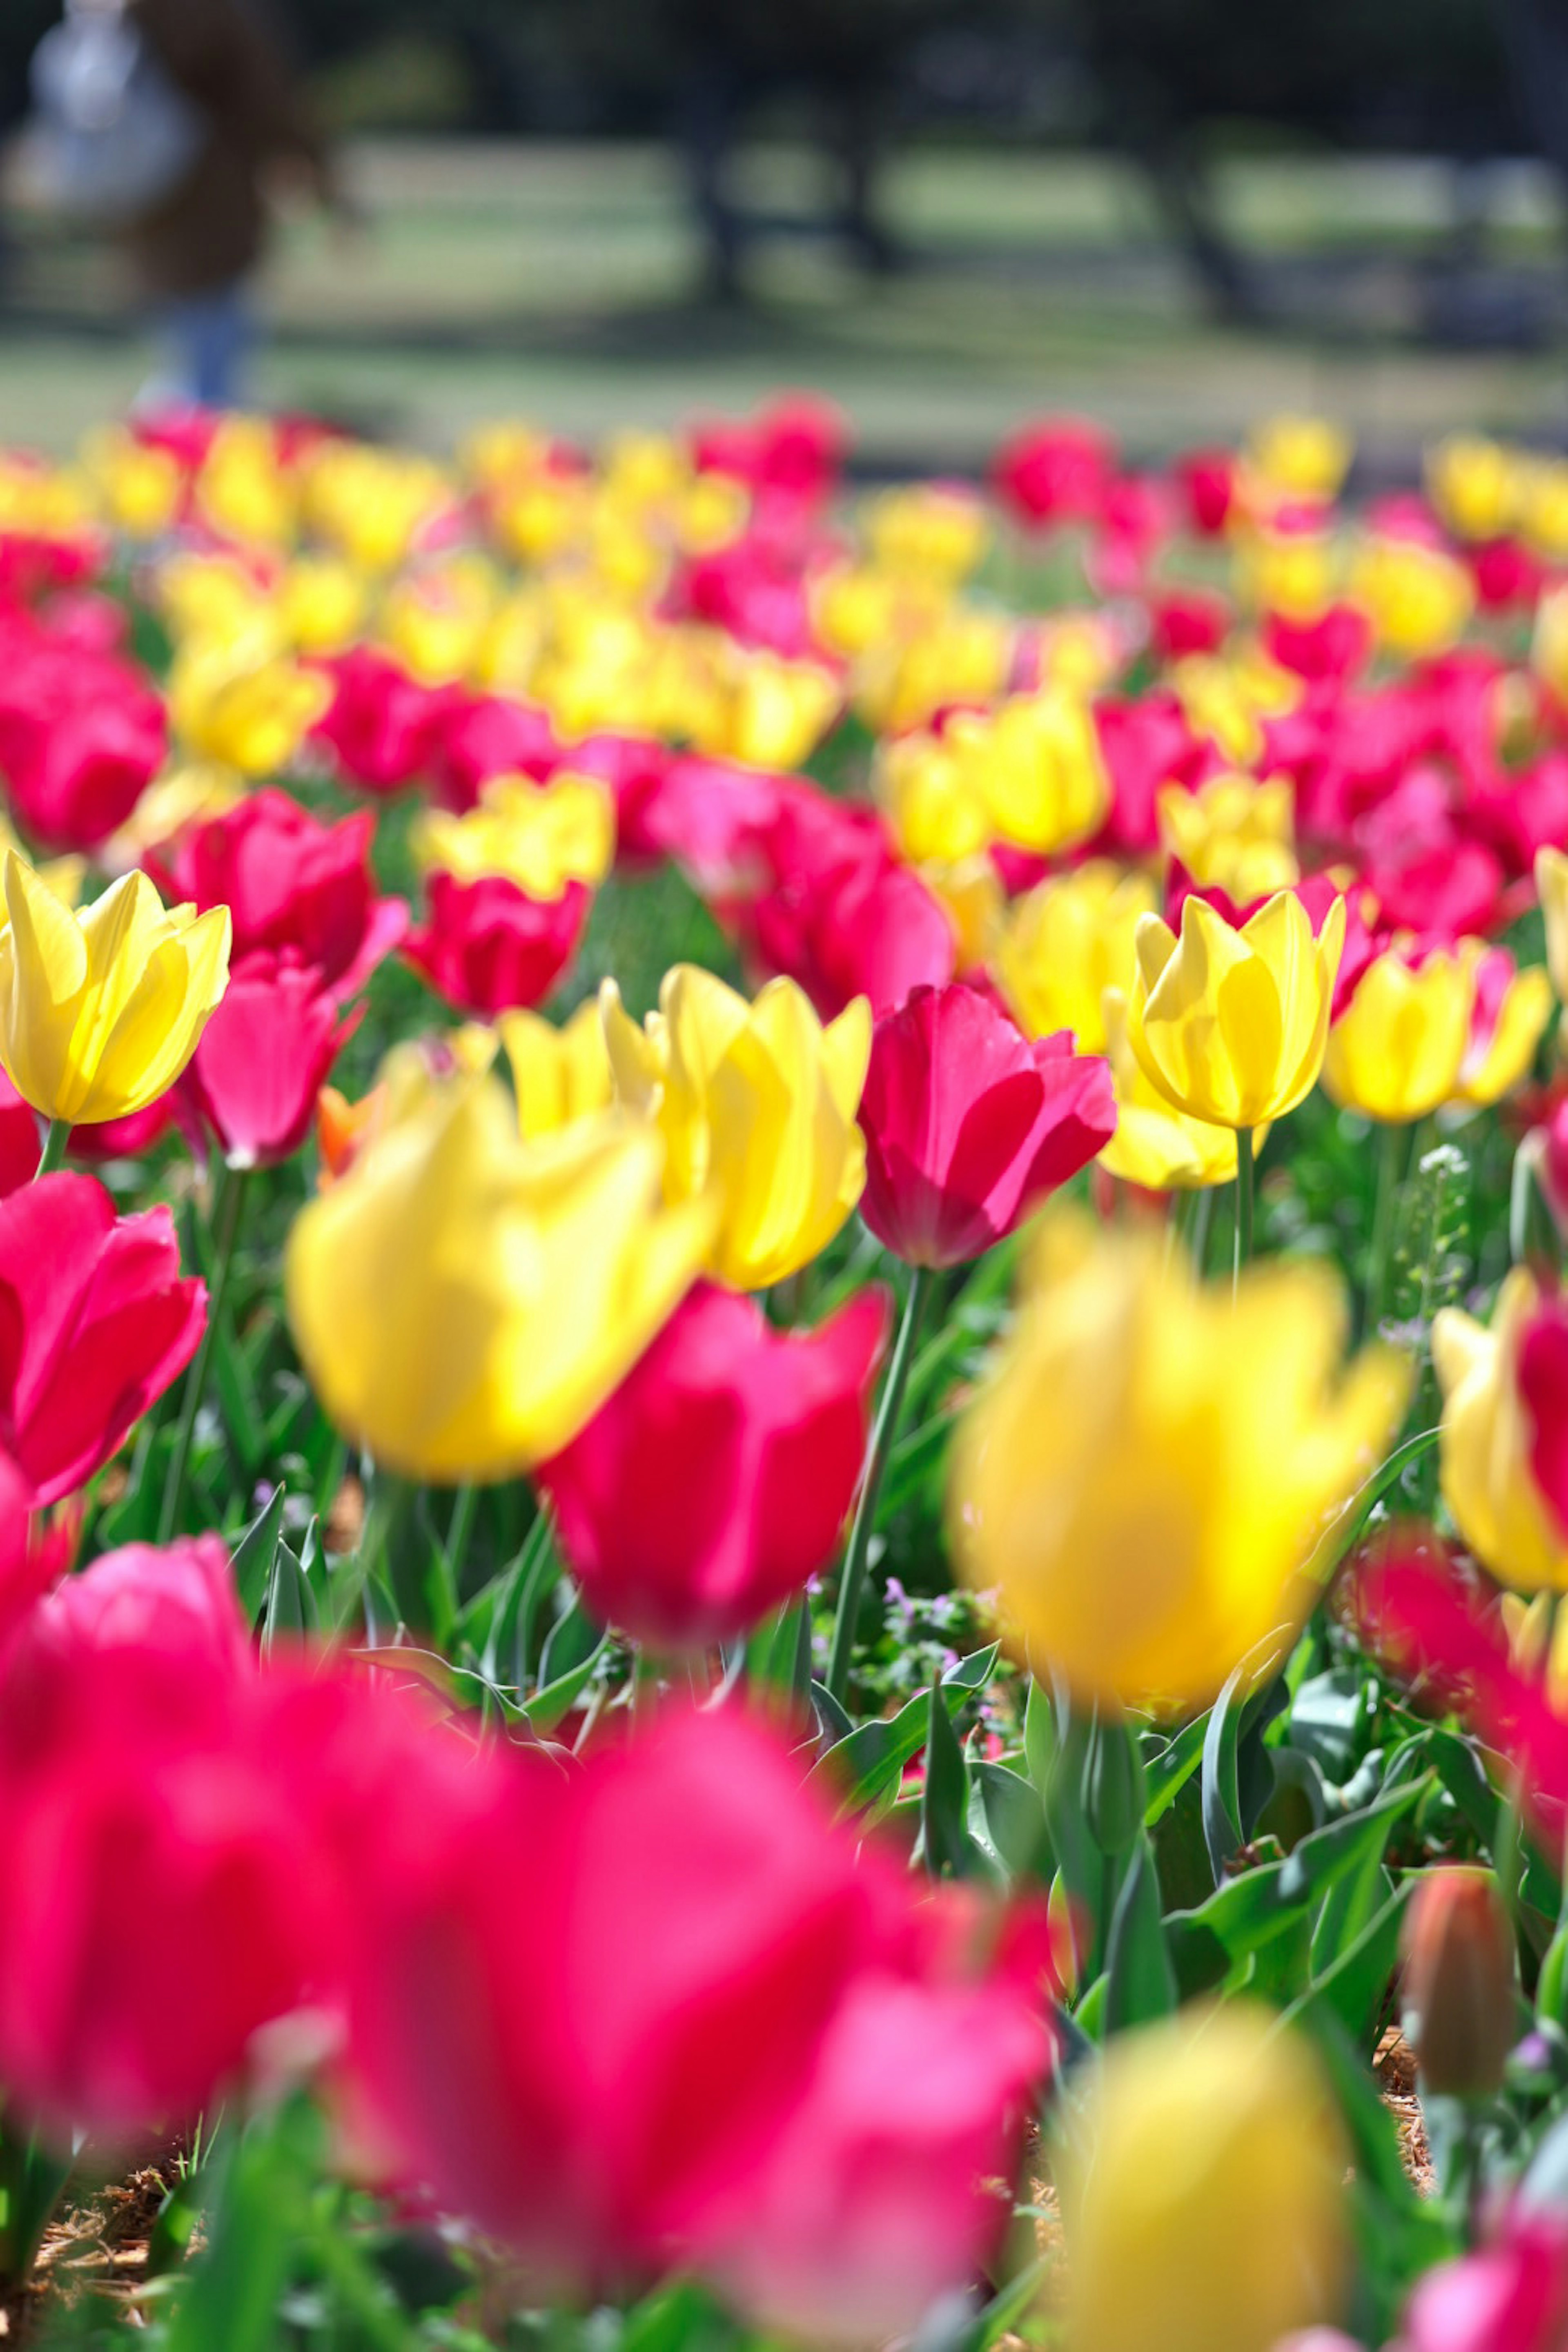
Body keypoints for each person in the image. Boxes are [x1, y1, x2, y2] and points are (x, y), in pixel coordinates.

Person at [120, 0, 337, 411]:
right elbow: (271, 103)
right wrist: (325, 187)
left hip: (146, 201)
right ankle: (189, 449)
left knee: (183, 350)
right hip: (215, 202)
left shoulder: (126, 11)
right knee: (213, 363)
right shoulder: (221, 14)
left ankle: (167, 441)